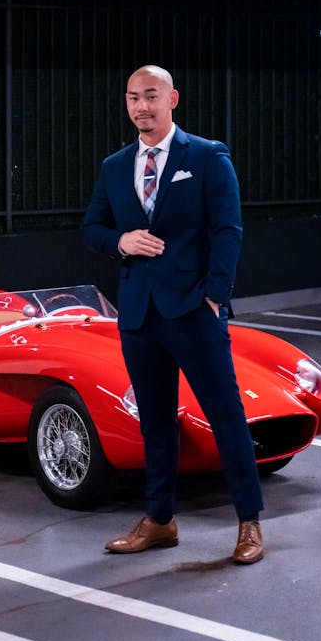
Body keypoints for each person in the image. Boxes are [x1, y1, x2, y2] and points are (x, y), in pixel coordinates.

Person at [82, 64, 264, 564]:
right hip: (139, 314)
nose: (142, 106)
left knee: (226, 416)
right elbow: (92, 227)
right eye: (133, 98)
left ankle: (249, 522)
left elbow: (229, 230)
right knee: (155, 424)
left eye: (151, 96)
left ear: (172, 99)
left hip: (192, 309)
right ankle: (160, 520)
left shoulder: (206, 157)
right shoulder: (115, 166)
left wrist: (214, 296)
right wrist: (120, 241)